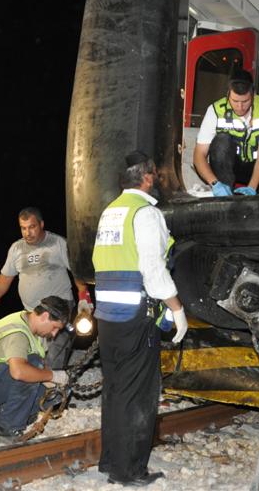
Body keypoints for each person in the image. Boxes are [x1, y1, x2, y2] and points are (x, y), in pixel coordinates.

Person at [92, 150, 189, 487]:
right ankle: (130, 471)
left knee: (116, 389)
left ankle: (109, 462)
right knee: (139, 395)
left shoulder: (111, 212)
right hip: (136, 316)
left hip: (107, 317)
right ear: (147, 177)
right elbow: (153, 270)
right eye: (155, 175)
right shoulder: (145, 213)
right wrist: (176, 309)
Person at [0, 207, 92, 371]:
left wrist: (84, 296)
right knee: (33, 358)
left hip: (59, 309)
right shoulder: (16, 249)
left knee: (54, 359)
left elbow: (77, 271)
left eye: (32, 227)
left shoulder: (58, 243)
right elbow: (5, 278)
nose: (28, 233)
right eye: (23, 228)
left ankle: (54, 391)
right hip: (32, 312)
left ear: (41, 224)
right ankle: (37, 391)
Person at [0, 296, 72, 442]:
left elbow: (40, 369)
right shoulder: (18, 332)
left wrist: (53, 382)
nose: (54, 334)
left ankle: (0, 412)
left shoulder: (35, 332)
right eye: (55, 328)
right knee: (31, 368)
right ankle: (5, 430)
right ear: (45, 316)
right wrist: (50, 376)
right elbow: (19, 372)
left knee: (54, 393)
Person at [193, 68, 259, 197]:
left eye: (245, 101)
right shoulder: (215, 110)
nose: (240, 107)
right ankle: (225, 200)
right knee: (222, 140)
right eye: (235, 101)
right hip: (227, 166)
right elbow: (199, 155)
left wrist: (252, 187)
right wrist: (215, 183)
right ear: (228, 95)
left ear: (253, 95)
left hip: (255, 165)